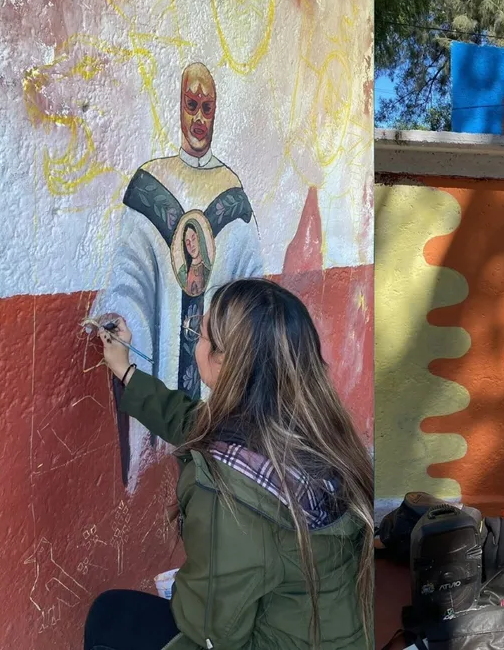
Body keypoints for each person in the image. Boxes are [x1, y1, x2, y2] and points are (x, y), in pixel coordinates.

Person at [85, 278, 375, 650]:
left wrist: (184, 590)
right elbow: (194, 422)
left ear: (226, 360)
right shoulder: (311, 429)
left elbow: (212, 631)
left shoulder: (232, 493)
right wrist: (127, 372)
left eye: (201, 335)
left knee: (110, 618)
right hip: (333, 633)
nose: (196, 344)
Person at [90, 62, 263, 491]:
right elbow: (129, 275)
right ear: (179, 107)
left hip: (220, 387)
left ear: (216, 112)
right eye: (191, 105)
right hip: (165, 367)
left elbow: (254, 291)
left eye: (207, 107)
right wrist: (121, 316)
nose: (199, 118)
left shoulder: (234, 194)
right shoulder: (150, 183)